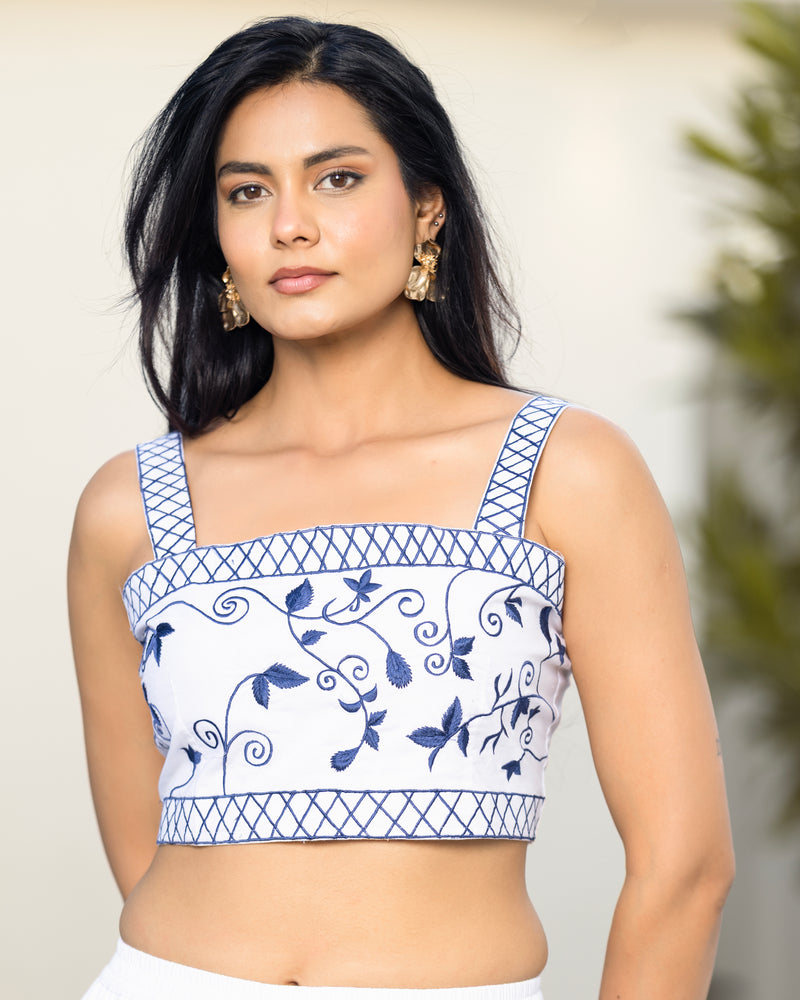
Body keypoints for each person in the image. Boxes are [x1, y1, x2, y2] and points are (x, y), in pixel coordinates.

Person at [69, 16, 734, 1000]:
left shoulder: (566, 471)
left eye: (336, 178)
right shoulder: (130, 506)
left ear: (426, 208)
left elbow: (684, 869)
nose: (289, 225)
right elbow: (144, 848)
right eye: (247, 190)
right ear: (217, 235)